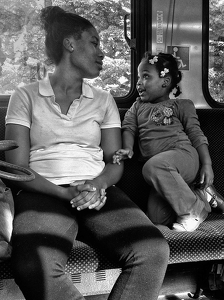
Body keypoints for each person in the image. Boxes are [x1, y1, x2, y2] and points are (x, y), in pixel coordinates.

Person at [4, 7, 169, 300]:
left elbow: (113, 162)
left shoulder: (103, 100)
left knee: (152, 250)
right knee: (34, 262)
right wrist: (65, 194)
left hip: (97, 190)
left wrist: (97, 185)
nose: (102, 52)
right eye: (94, 42)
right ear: (70, 43)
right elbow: (17, 168)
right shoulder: (26, 95)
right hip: (42, 190)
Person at [113, 52, 219, 232]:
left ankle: (194, 210)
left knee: (152, 167)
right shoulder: (137, 107)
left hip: (184, 156)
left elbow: (196, 134)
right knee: (156, 219)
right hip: (161, 171)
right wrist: (128, 148)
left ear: (165, 81)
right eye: (139, 77)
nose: (139, 82)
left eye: (146, 76)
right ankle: (198, 195)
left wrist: (206, 164)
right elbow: (128, 128)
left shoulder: (182, 105)